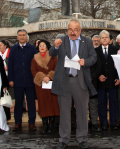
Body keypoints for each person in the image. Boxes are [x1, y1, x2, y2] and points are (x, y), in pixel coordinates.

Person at [49, 19, 97, 149]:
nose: (73, 32)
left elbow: (94, 57)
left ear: (80, 30)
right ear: (67, 30)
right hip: (63, 81)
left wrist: (85, 62)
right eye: (70, 29)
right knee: (64, 112)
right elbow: (51, 53)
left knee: (82, 111)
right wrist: (56, 46)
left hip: (80, 81)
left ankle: (82, 138)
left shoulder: (87, 42)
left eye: (76, 29)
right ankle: (64, 139)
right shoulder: (61, 40)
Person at [8, 29, 38, 131]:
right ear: (17, 37)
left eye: (24, 35)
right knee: (18, 103)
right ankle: (17, 123)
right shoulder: (13, 48)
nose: (22, 37)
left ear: (26, 37)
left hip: (30, 80)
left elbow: (36, 63)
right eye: (20, 35)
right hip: (17, 80)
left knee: (31, 103)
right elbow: (10, 64)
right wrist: (11, 79)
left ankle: (32, 123)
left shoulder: (32, 48)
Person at [31, 40, 60, 134]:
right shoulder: (35, 58)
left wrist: (49, 76)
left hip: (52, 84)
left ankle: (51, 125)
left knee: (53, 104)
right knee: (43, 104)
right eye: (40, 46)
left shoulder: (53, 57)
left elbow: (57, 68)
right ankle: (45, 125)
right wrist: (42, 77)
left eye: (43, 45)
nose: (42, 47)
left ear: (47, 47)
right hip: (40, 85)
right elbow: (33, 70)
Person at [96, 30, 120, 130]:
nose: (104, 39)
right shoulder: (95, 51)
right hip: (100, 82)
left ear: (110, 39)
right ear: (100, 40)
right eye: (102, 37)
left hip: (113, 81)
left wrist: (119, 78)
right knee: (101, 103)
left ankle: (114, 122)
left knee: (114, 102)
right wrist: (98, 76)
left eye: (106, 37)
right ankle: (104, 122)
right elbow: (93, 66)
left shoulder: (116, 50)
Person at [89, 42, 102, 132]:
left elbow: (98, 68)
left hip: (92, 83)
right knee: (81, 105)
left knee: (93, 104)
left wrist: (91, 77)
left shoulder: (95, 54)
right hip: (81, 84)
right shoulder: (78, 54)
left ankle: (94, 123)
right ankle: (82, 124)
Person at [0, 40, 12, 121]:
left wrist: (8, 68)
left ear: (5, 46)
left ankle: (7, 116)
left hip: (9, 78)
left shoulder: (10, 54)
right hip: (1, 79)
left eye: (0, 45)